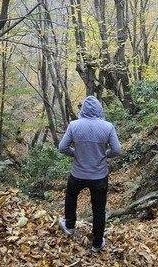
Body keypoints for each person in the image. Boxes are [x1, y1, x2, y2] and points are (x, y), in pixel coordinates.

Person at [58, 95, 122, 252]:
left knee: (71, 196)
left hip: (78, 173)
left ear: (83, 109)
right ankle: (97, 243)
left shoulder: (74, 125)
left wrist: (76, 153)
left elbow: (62, 147)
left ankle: (70, 226)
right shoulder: (108, 127)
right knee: (99, 209)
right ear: (100, 109)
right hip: (99, 175)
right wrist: (103, 154)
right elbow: (117, 150)